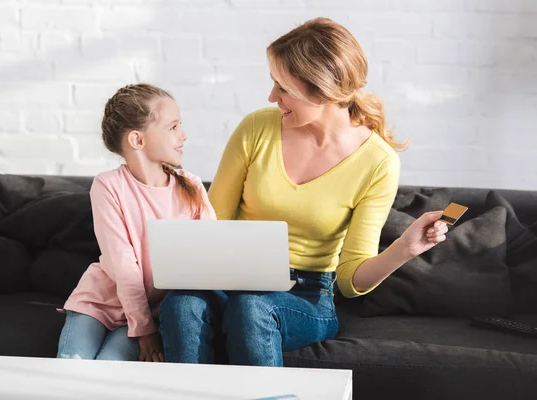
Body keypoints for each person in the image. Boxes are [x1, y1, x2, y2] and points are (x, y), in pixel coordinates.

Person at [158, 18, 449, 367]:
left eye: (283, 88)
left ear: (322, 92)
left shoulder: (378, 161)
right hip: (230, 277)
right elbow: (212, 221)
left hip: (307, 294)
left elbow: (350, 279)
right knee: (180, 304)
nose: (271, 97)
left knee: (252, 307)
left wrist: (404, 248)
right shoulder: (257, 128)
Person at [57, 83, 216, 362]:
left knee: (109, 367)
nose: (184, 135)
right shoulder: (108, 186)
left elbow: (213, 256)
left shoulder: (190, 186)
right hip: (99, 303)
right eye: (173, 127)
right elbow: (124, 266)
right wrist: (145, 332)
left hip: (152, 313)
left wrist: (149, 327)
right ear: (137, 140)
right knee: (72, 364)